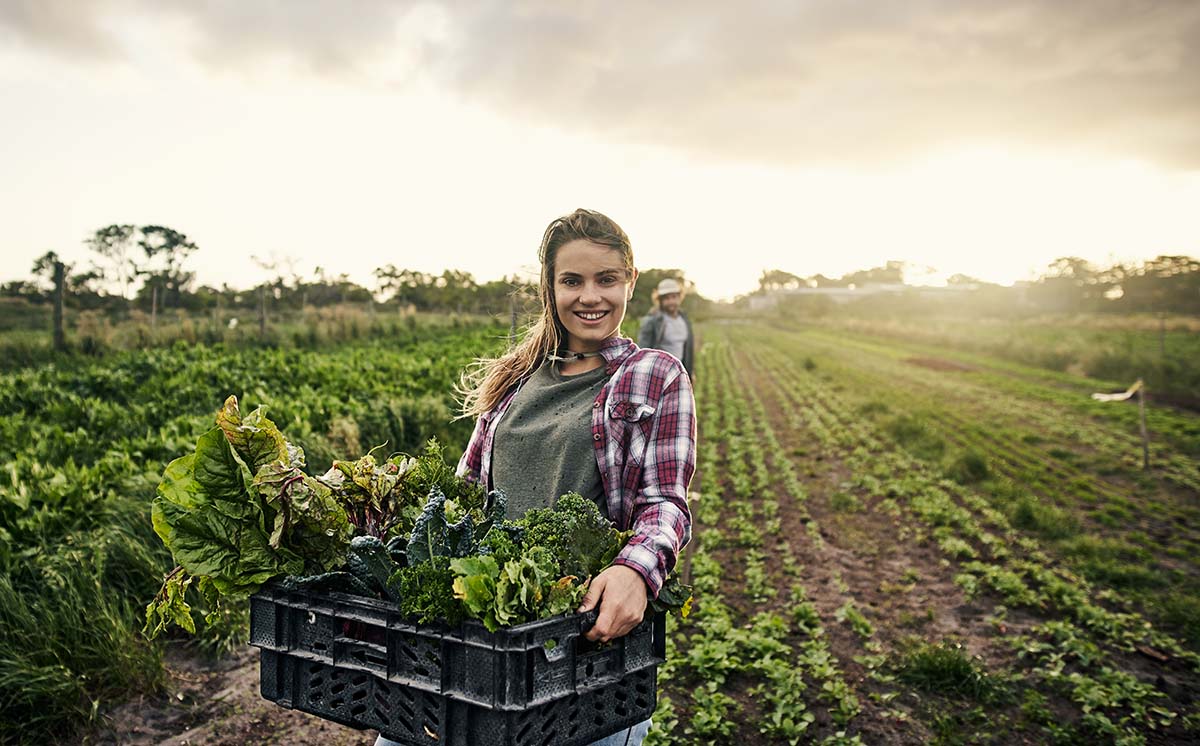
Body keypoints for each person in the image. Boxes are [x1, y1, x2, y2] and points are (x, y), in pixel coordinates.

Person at [374, 209, 696, 746]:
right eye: (571, 280)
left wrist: (635, 572)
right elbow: (465, 489)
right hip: (479, 638)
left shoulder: (654, 375)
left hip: (579, 650)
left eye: (606, 279)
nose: (589, 296)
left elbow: (665, 502)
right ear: (549, 287)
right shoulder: (515, 379)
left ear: (630, 282)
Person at [637, 277, 695, 380]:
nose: (671, 301)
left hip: (679, 374)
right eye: (667, 298)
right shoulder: (652, 321)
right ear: (660, 300)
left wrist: (690, 373)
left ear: (679, 297)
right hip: (659, 375)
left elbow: (687, 349)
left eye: (674, 297)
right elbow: (643, 352)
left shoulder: (684, 318)